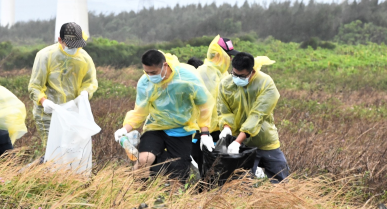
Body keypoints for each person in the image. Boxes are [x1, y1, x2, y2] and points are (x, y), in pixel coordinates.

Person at [114, 50, 213, 181]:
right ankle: (132, 192)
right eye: (146, 72)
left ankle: (171, 189)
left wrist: (205, 133)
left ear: (165, 65)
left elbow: (204, 105)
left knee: (177, 177)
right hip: (156, 127)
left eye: (153, 72)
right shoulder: (145, 82)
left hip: (181, 130)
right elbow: (140, 111)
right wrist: (125, 129)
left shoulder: (187, 79)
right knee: (144, 159)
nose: (150, 76)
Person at [218, 51, 290, 183]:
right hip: (241, 144)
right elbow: (224, 110)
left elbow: (257, 115)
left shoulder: (266, 83)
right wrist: (227, 127)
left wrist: (237, 142)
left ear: (252, 71)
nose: (237, 78)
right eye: (234, 74)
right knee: (241, 183)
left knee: (281, 178)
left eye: (242, 76)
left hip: (264, 140)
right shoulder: (226, 84)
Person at [28, 22, 98, 146]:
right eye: (70, 45)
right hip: (48, 114)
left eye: (77, 45)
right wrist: (44, 101)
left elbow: (90, 82)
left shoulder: (84, 59)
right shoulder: (45, 56)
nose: (74, 49)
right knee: (53, 149)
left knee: (71, 150)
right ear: (60, 40)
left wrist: (85, 93)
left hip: (72, 113)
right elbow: (35, 86)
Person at [191, 36, 236, 167]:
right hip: (201, 132)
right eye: (228, 55)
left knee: (216, 169)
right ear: (218, 55)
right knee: (200, 168)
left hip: (219, 131)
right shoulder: (203, 72)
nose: (231, 59)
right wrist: (204, 132)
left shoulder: (225, 74)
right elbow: (200, 103)